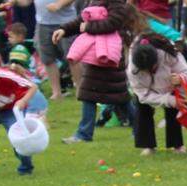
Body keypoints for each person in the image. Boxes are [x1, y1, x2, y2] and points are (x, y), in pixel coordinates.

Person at [53, 0, 140, 144]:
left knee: (119, 96)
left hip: (109, 54)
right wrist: (64, 30)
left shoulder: (116, 2)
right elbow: (83, 19)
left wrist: (88, 27)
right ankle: (85, 134)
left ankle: (84, 135)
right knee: (97, 94)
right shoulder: (95, 1)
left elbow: (114, 22)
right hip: (96, 55)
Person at [127, 33, 187, 155]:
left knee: (173, 112)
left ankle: (177, 145)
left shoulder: (168, 52)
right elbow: (143, 95)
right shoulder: (133, 69)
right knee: (142, 109)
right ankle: (148, 146)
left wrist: (180, 79)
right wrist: (169, 100)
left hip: (170, 85)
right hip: (146, 92)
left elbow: (185, 71)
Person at [35, 0, 79, 100]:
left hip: (66, 22)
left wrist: (58, 4)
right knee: (48, 59)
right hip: (42, 23)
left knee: (73, 57)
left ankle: (80, 90)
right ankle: (56, 93)